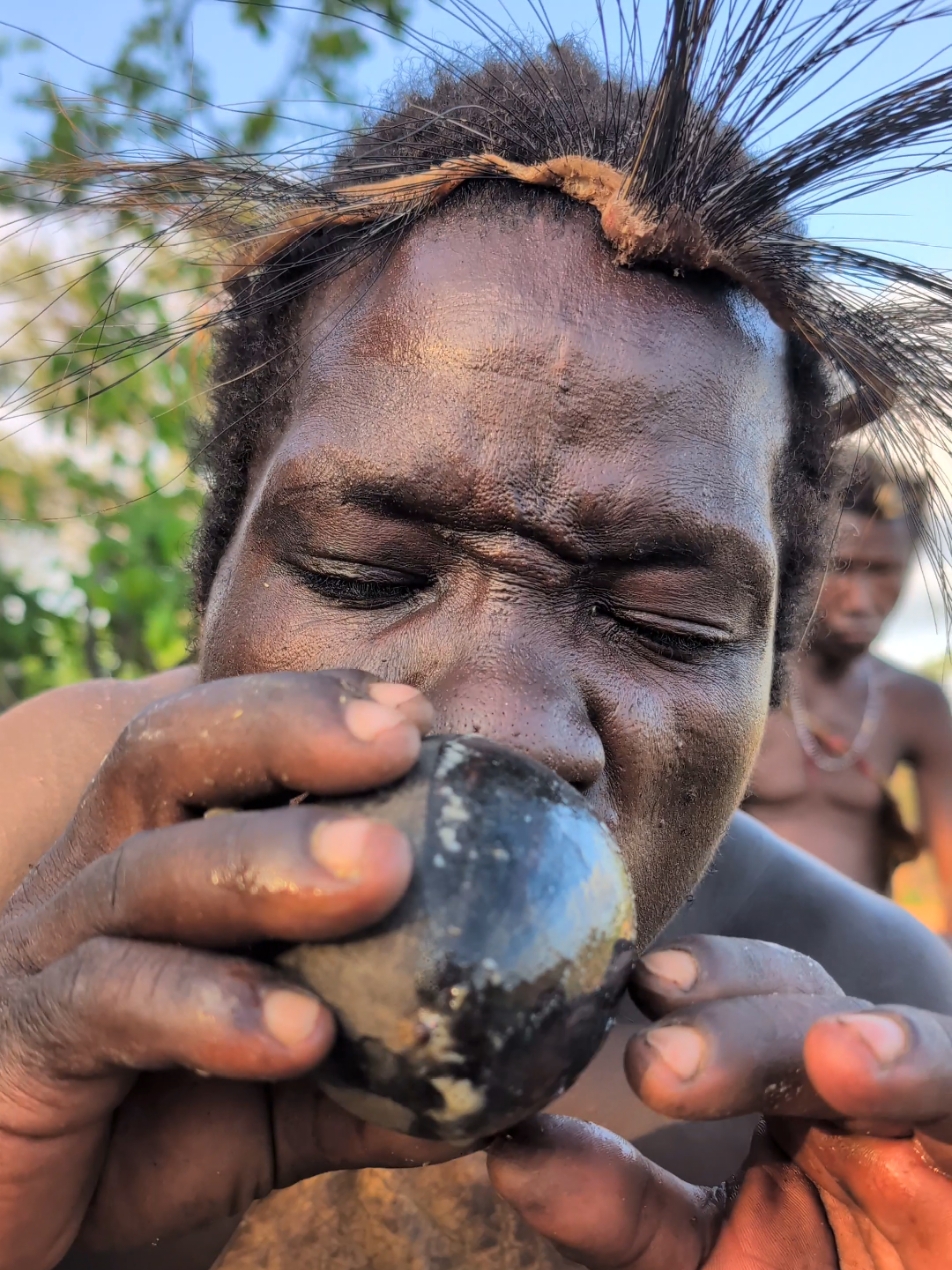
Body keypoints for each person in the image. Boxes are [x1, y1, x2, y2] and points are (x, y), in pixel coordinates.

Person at [3, 9, 952, 1269]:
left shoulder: (872, 1068)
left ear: (767, 667)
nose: (497, 722)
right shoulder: (32, 840)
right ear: (220, 573)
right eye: (364, 572)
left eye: (661, 622)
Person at [745, 455, 952, 916]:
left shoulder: (916, 706)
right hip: (729, 955)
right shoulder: (742, 687)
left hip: (864, 965)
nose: (860, 602)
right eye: (841, 567)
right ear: (795, 562)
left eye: (882, 571)